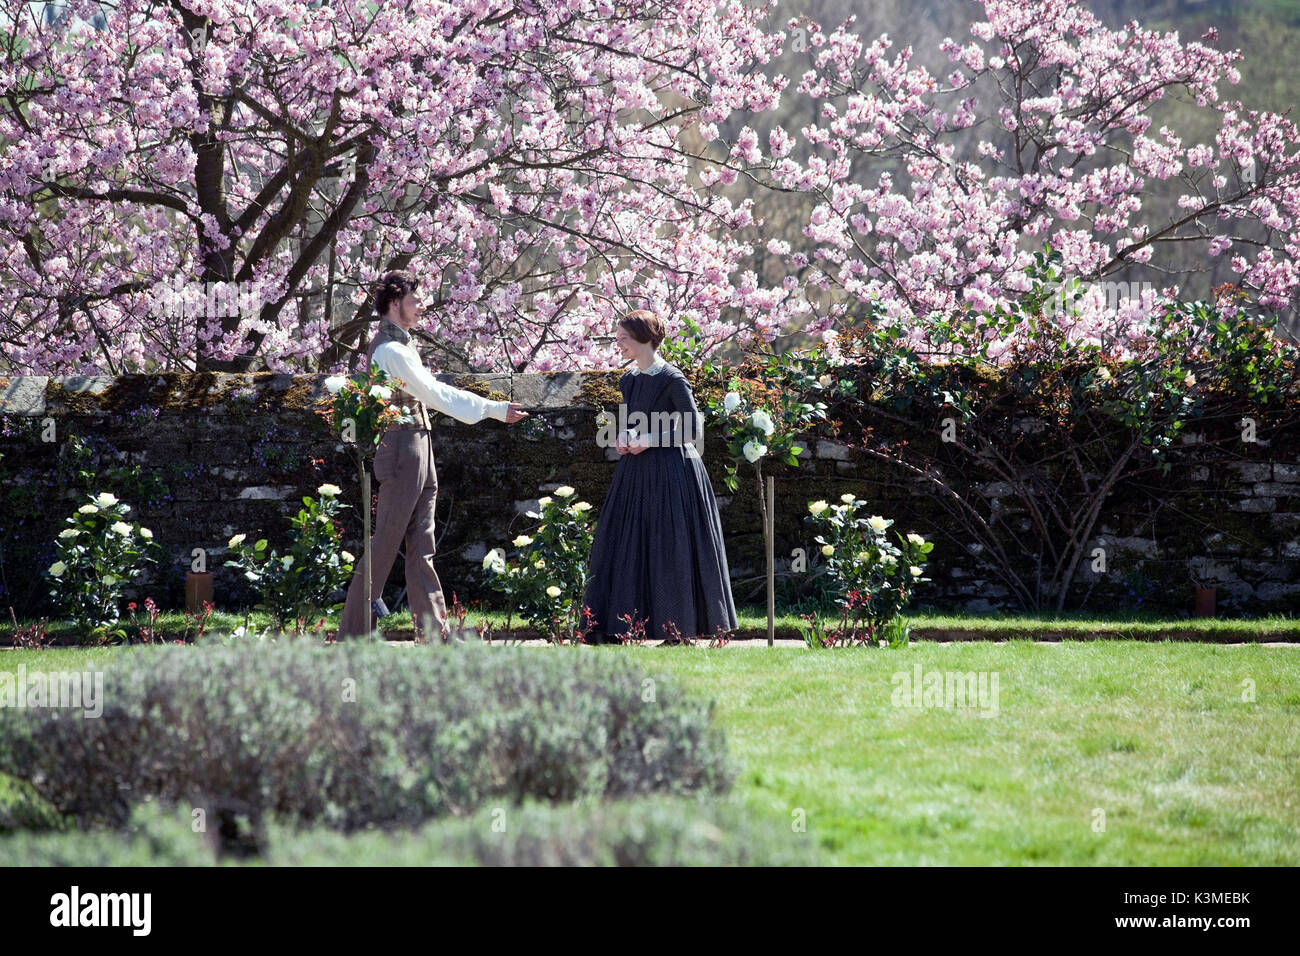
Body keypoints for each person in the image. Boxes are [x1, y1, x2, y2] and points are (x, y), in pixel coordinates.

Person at [338, 270, 529, 641]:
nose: (421, 306)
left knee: (422, 545)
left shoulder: (402, 346)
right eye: (414, 301)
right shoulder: (390, 350)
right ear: (395, 305)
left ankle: (434, 633)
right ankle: (355, 633)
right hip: (401, 446)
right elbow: (433, 392)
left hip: (419, 443)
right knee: (386, 541)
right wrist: (492, 409)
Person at [580, 310, 738, 645]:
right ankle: (618, 627)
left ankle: (676, 631)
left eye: (623, 337)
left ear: (644, 338)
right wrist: (623, 437)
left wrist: (648, 440)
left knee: (671, 546)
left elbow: (694, 428)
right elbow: (636, 421)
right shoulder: (630, 380)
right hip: (636, 474)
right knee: (627, 544)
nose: (618, 343)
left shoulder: (672, 379)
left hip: (673, 473)